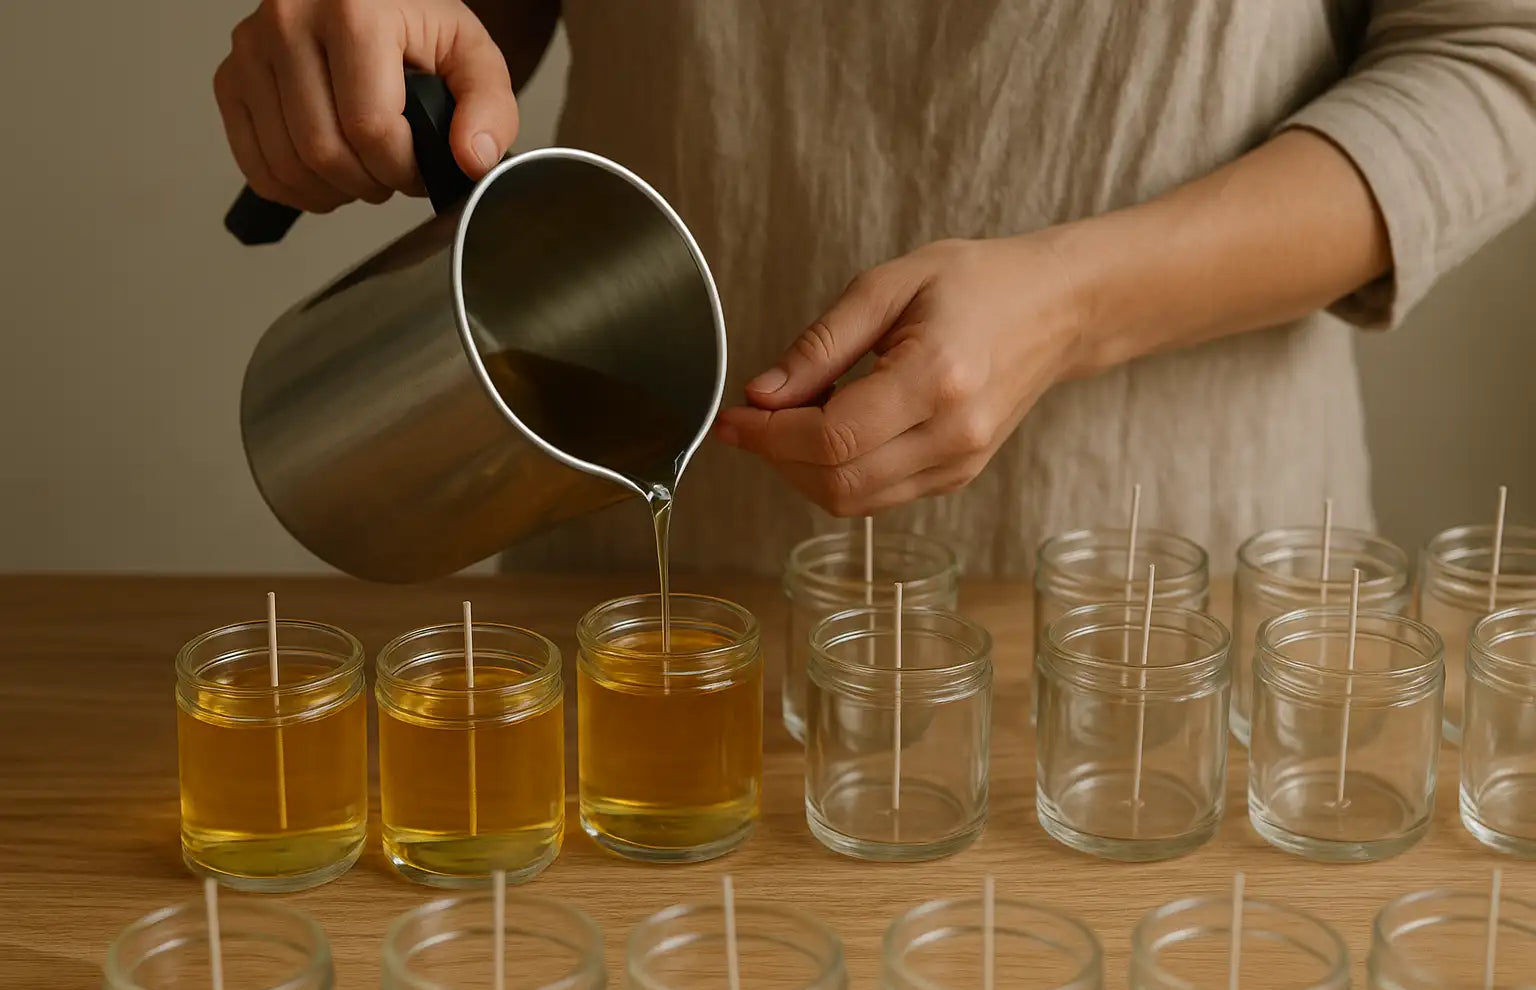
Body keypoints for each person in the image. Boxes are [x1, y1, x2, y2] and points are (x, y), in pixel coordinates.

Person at [214, 0, 1536, 577]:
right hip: (628, 564)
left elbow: (1499, 54)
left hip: (1167, 604)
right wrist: (374, 33)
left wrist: (1076, 301)